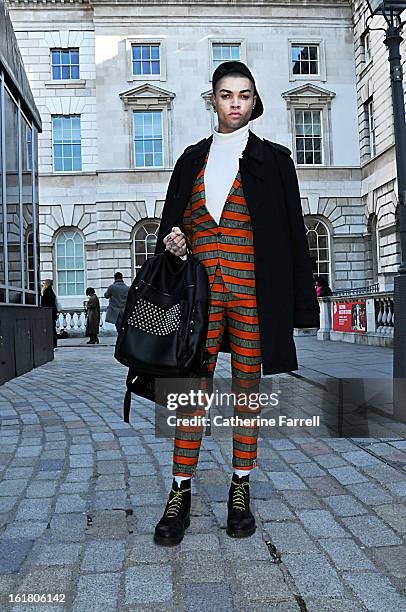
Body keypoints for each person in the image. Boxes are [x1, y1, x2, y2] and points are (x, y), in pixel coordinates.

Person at [149, 61, 320, 546]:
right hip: (199, 300)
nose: (235, 103)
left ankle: (239, 488)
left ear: (254, 101)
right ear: (214, 100)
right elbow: (168, 225)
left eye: (244, 95)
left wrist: (300, 309)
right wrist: (174, 240)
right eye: (226, 95)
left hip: (251, 296)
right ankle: (179, 492)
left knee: (247, 393)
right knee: (190, 396)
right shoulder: (190, 160)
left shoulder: (275, 160)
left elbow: (292, 235)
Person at [40, 279, 58, 349]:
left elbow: (45, 303)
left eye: (44, 283)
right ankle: (54, 344)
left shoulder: (47, 292)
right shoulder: (51, 291)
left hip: (49, 313)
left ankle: (52, 344)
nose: (43, 284)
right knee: (53, 329)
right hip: (52, 313)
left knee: (50, 329)